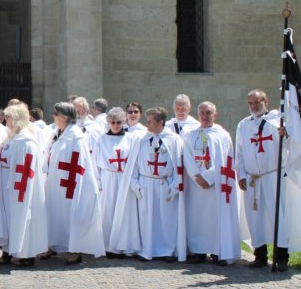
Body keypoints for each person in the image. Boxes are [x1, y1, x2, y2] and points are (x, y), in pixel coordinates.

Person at [112, 107, 186, 261]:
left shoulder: (174, 140)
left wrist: (175, 185)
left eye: (151, 121)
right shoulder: (140, 139)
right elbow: (132, 165)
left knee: (167, 220)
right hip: (145, 184)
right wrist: (135, 184)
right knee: (146, 219)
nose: (147, 124)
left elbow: (179, 166)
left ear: (160, 122)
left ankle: (167, 250)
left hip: (165, 184)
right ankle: (147, 250)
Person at [182, 101, 245, 264]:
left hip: (216, 184)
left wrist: (208, 177)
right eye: (202, 113)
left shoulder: (222, 135)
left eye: (208, 112)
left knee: (215, 218)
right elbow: (187, 157)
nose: (204, 116)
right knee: (197, 218)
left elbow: (223, 160)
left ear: (215, 115)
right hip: (196, 185)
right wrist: (197, 176)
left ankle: (218, 251)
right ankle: (198, 251)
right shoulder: (190, 135)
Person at [42, 102, 105, 265]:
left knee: (71, 214)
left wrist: (78, 184)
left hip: (71, 183)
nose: (53, 117)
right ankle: (54, 244)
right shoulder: (57, 133)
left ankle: (75, 251)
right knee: (54, 213)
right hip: (56, 180)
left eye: (56, 114)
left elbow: (82, 162)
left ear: (65, 117)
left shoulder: (77, 136)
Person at [235, 89, 285, 269]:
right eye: (251, 103)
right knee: (255, 217)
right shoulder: (243, 125)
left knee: (276, 216)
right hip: (252, 179)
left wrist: (285, 134)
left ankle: (281, 257)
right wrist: (240, 175)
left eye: (257, 102)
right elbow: (239, 152)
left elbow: (288, 145)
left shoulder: (277, 120)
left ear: (266, 101)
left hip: (272, 176)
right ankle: (260, 255)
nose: (254, 106)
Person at [0, 105, 48, 267]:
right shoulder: (13, 137)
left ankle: (26, 254)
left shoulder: (26, 141)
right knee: (11, 219)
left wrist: (19, 186)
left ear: (17, 119)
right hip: (9, 184)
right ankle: (9, 251)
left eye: (9, 117)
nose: (6, 120)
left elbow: (26, 168)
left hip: (20, 186)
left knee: (24, 217)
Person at [92, 107, 140, 257]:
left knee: (126, 212)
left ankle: (125, 245)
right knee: (108, 212)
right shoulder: (101, 140)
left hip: (125, 179)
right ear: (108, 122)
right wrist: (98, 183)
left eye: (119, 122)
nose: (116, 125)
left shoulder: (131, 138)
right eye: (113, 122)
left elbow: (136, 162)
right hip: (108, 179)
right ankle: (109, 246)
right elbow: (95, 163)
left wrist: (134, 181)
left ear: (124, 121)